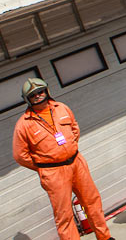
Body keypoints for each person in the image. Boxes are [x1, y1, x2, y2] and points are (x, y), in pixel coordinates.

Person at [12, 78, 115, 240]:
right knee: (64, 214)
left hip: (77, 163)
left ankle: (104, 237)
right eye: (33, 95)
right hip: (53, 173)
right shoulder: (24, 124)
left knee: (92, 202)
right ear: (27, 99)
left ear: (47, 91)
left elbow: (74, 128)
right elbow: (20, 156)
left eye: (40, 91)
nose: (38, 96)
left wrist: (70, 149)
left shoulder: (62, 108)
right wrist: (43, 167)